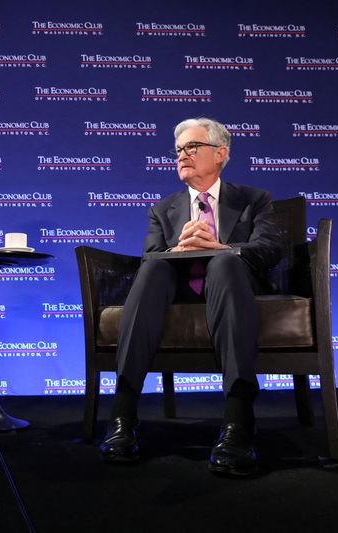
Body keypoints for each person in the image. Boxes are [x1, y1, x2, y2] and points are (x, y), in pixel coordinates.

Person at [99, 117, 282, 476]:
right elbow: (150, 254)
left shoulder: (253, 199)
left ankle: (238, 419)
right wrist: (177, 249)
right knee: (153, 267)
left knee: (225, 264)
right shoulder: (163, 209)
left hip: (232, 287)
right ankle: (122, 415)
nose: (182, 155)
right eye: (178, 149)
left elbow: (270, 248)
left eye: (192, 147)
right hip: (177, 289)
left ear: (220, 154)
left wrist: (221, 247)